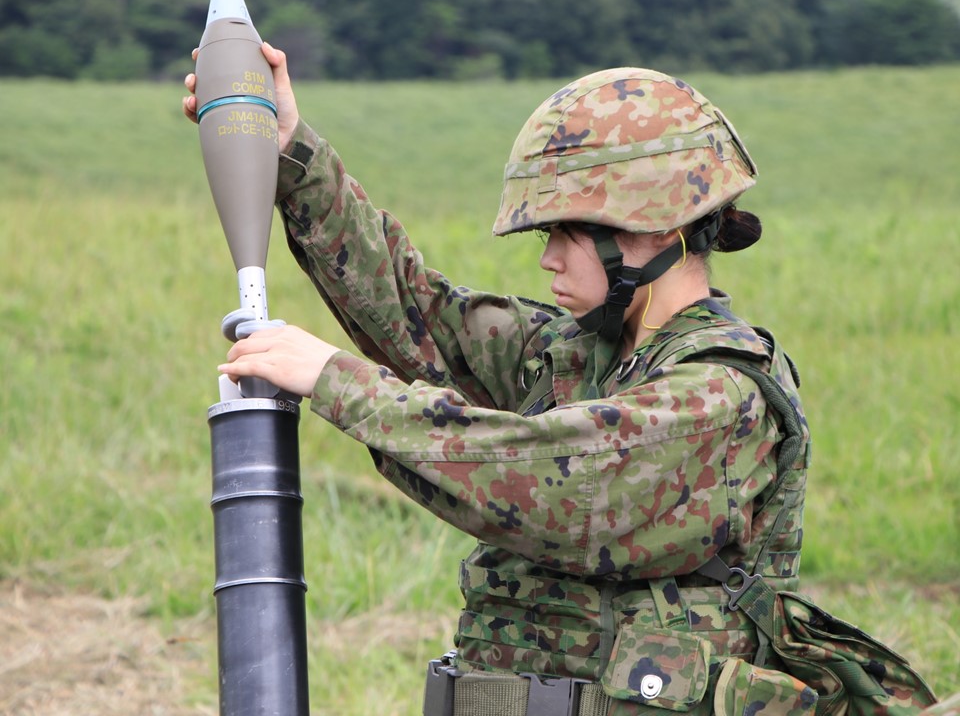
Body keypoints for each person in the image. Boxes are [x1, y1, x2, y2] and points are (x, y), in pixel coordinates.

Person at [183, 46, 940, 716]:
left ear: (649, 226)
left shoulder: (721, 397)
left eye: (564, 232)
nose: (548, 259)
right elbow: (418, 314)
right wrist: (289, 151)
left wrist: (335, 382)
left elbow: (553, 484)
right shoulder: (572, 354)